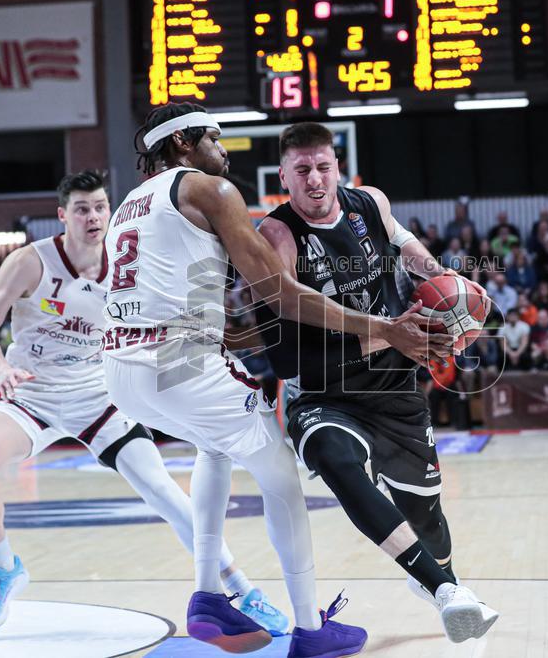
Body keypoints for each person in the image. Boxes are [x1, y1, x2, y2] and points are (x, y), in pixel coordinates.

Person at [100, 106, 453, 655]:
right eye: (215, 138)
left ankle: (207, 596)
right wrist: (386, 327)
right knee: (282, 477)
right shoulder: (209, 190)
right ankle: (311, 629)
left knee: (216, 448)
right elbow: (280, 293)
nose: (225, 148)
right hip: (176, 364)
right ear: (185, 143)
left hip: (121, 369)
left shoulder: (128, 203)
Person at [0, 171, 288, 636]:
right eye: (81, 209)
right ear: (62, 215)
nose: (92, 217)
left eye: (99, 207)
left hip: (101, 394)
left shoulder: (129, 263)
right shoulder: (31, 262)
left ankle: (244, 590)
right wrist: (0, 369)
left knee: (167, 495)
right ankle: (4, 568)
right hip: (34, 392)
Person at [251, 120, 498, 644]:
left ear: (339, 168)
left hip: (392, 388)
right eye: (302, 171)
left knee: (428, 519)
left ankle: (442, 579)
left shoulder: (369, 204)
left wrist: (451, 292)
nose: (314, 180)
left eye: (323, 167)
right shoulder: (275, 237)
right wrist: (388, 332)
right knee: (338, 461)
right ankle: (446, 591)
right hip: (322, 390)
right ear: (284, 177)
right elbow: (290, 360)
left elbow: (408, 248)